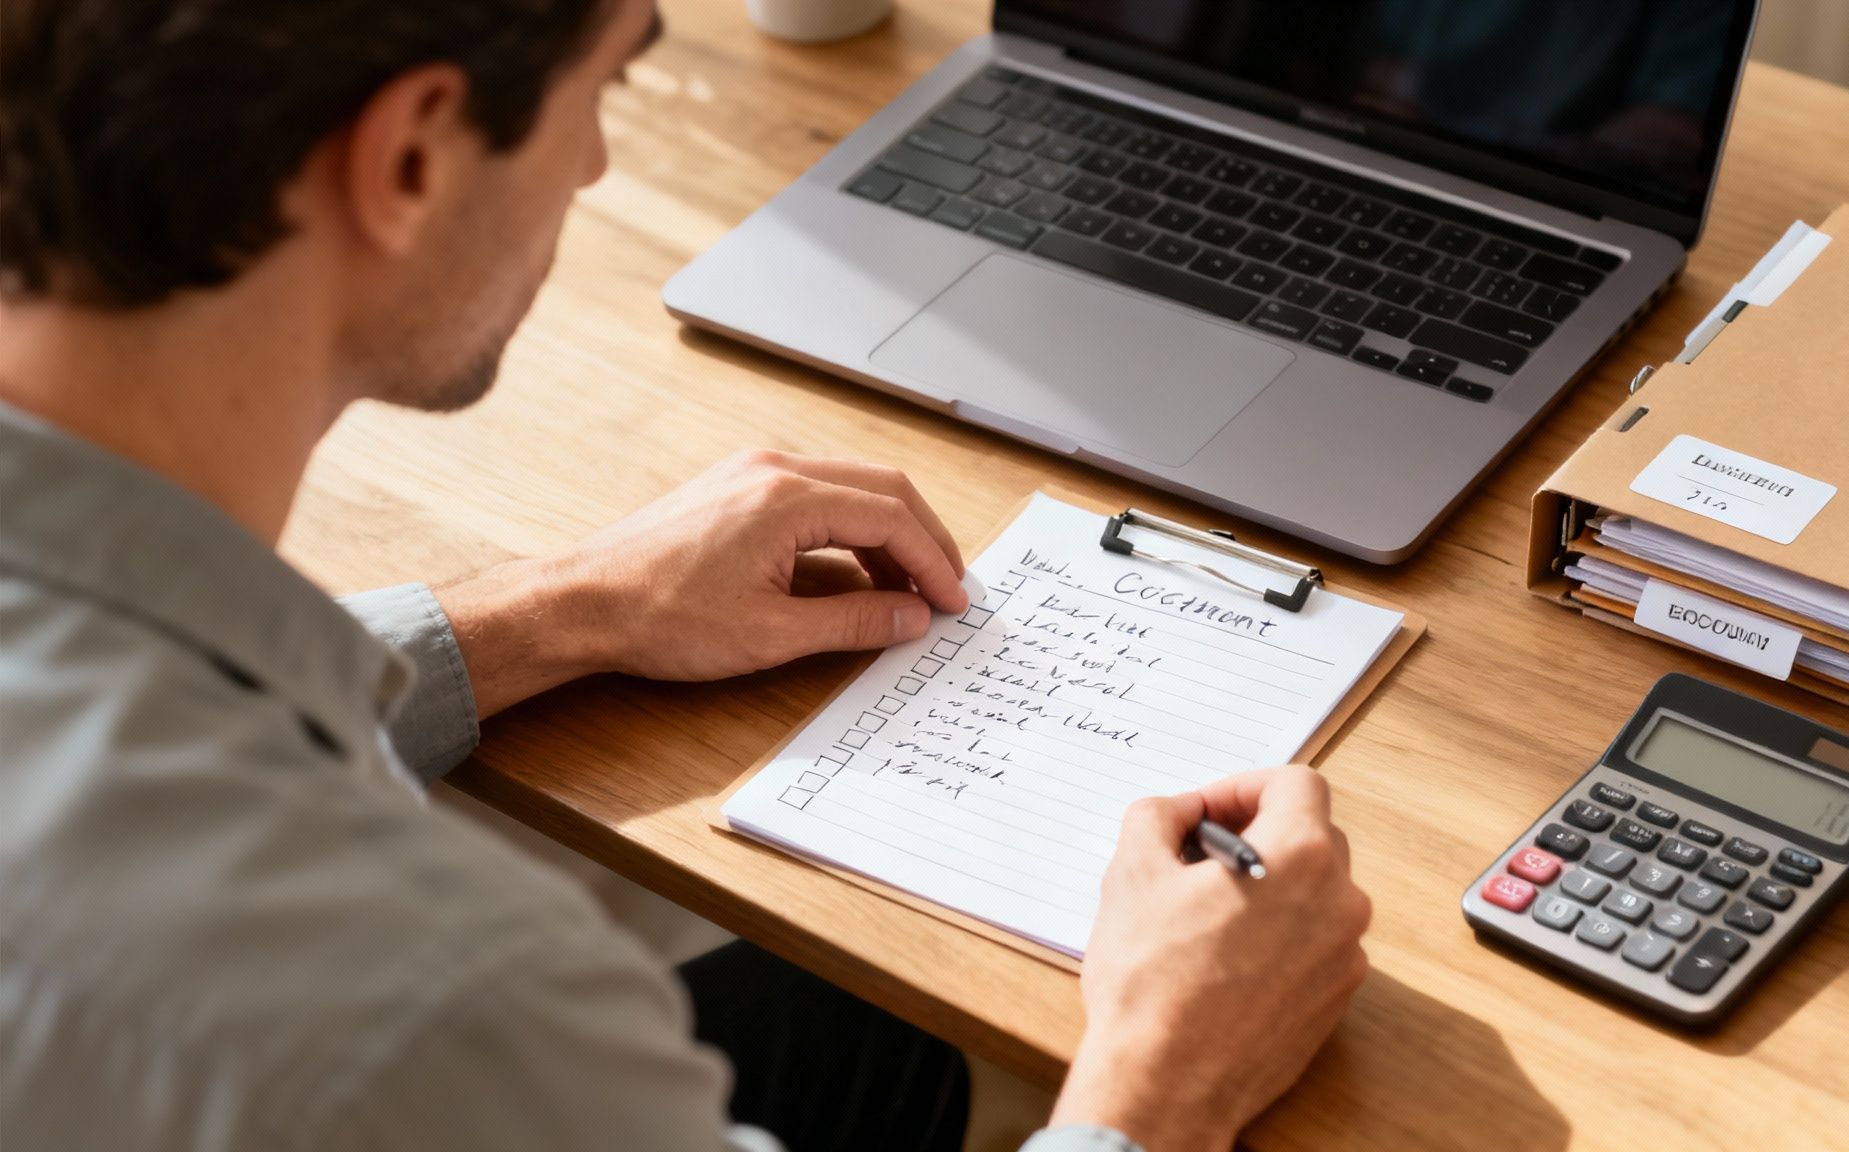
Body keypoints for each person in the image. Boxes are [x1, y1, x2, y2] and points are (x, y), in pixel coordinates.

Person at [0, 2, 1374, 1150]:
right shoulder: (436, 1010)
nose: (597, 164)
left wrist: (567, 610)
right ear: (412, 156)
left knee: (867, 1033)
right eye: (605, 81)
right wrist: (1159, 1085)